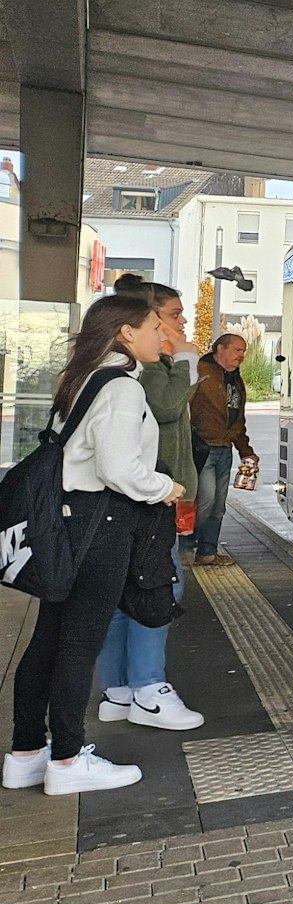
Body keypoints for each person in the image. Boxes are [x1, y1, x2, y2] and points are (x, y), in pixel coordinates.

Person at [5, 295, 183, 795]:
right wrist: (164, 488)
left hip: (67, 520)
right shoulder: (123, 387)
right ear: (126, 333)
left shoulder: (83, 376)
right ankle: (65, 760)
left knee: (49, 640)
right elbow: (119, 469)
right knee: (78, 647)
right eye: (153, 328)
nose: (162, 337)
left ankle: (25, 753)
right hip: (100, 524)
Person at [93, 275, 204, 731]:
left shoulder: (106, 371)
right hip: (142, 500)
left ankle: (118, 690)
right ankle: (148, 689)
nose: (176, 329)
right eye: (171, 318)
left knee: (125, 591)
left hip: (122, 505)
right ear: (136, 325)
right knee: (158, 585)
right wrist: (189, 357)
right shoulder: (134, 377)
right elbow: (169, 408)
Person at [189, 333, 257, 565]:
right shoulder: (200, 371)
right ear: (220, 348)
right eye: (237, 350)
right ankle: (187, 545)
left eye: (243, 351)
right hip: (203, 448)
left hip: (224, 449)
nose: (242, 355)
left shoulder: (235, 380)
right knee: (205, 502)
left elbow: (238, 418)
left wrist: (246, 450)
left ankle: (207, 552)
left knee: (218, 506)